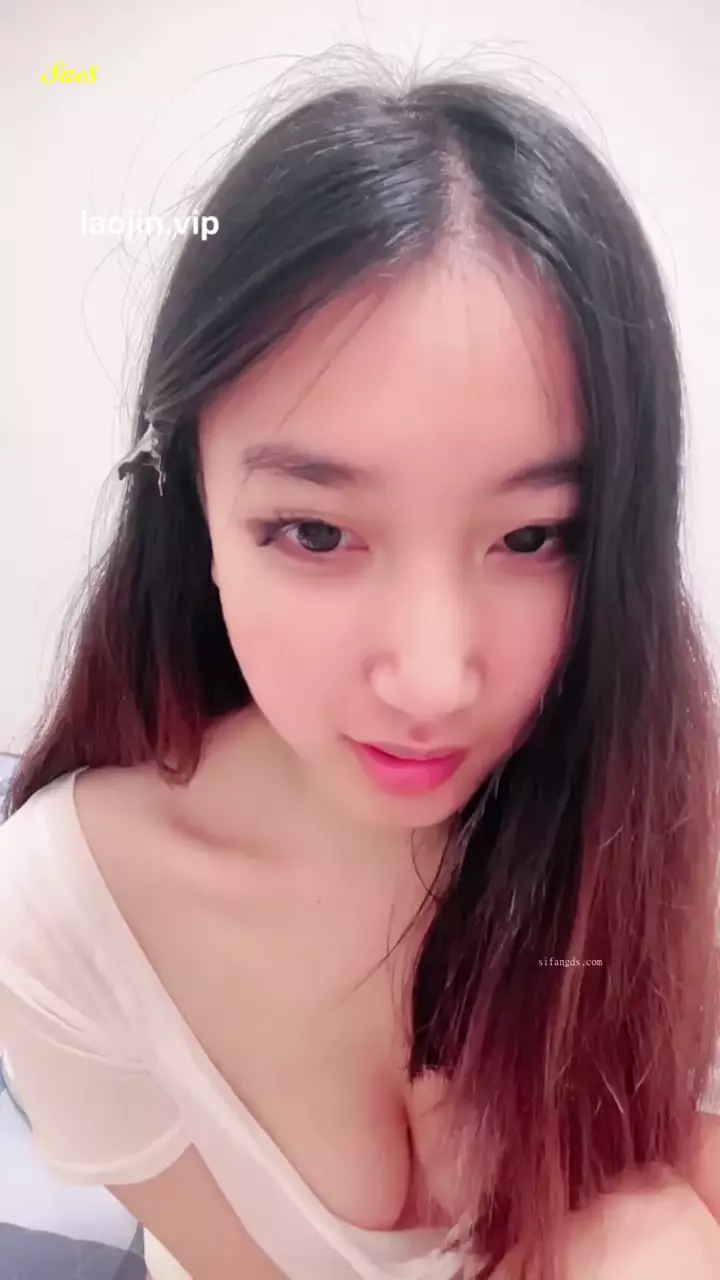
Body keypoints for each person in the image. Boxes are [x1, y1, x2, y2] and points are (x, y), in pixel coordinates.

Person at [1, 65, 720, 1280]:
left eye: (533, 535)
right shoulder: (65, 915)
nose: (432, 681)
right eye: (317, 531)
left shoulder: (668, 817)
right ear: (191, 508)